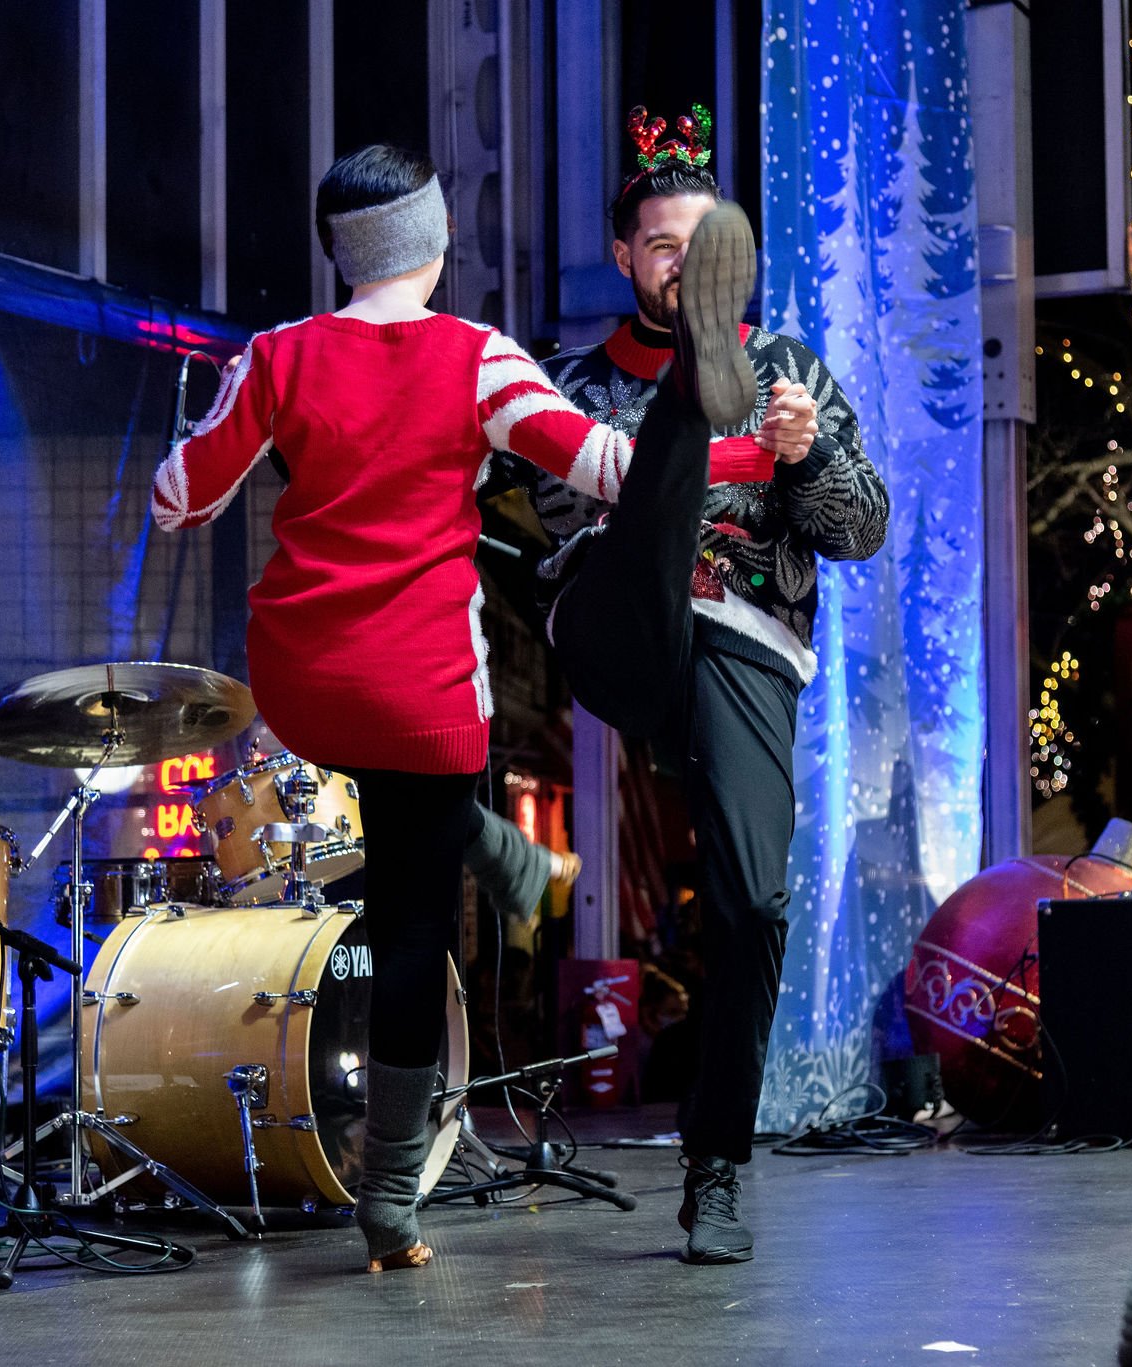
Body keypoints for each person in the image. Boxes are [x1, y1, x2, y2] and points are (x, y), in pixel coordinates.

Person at [150, 143, 740, 1272]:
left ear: (339, 251)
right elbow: (608, 467)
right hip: (419, 689)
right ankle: (388, 1196)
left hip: (304, 680)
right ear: (432, 244)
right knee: (416, 921)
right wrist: (734, 446)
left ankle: (491, 846)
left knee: (381, 794)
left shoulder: (275, 356)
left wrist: (217, 439)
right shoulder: (479, 359)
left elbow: (184, 497)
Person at [499, 104, 890, 1264]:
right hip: (620, 620)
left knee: (752, 903)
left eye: (700, 244)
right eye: (662, 248)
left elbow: (860, 526)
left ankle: (715, 1166)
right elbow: (519, 517)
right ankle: (685, 395)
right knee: (650, 497)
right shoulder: (560, 380)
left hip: (744, 644)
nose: (676, 260)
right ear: (626, 258)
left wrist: (806, 449)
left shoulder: (795, 376)